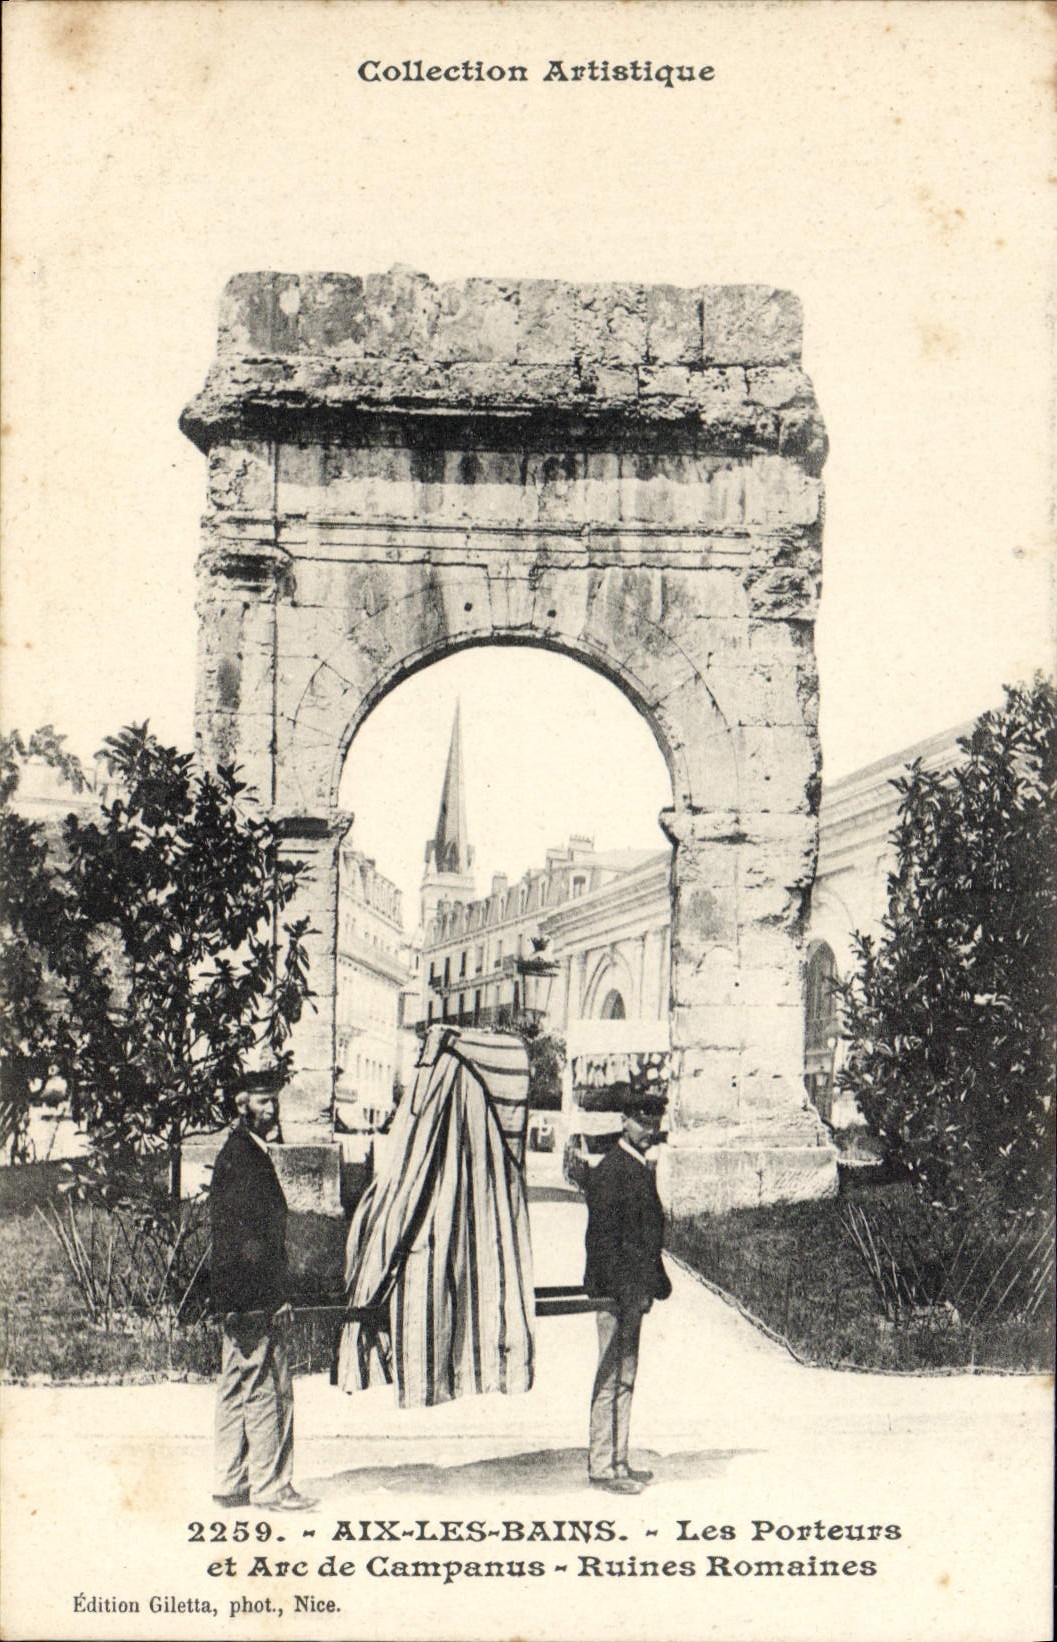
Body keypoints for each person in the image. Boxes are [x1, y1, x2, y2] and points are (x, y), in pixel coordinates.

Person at [210, 1073, 316, 1511]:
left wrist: (229, 1302)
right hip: (253, 1295)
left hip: (235, 1295)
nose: (273, 1110)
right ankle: (273, 1487)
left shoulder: (237, 1153)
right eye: (264, 1102)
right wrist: (272, 1298)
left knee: (235, 1386)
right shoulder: (246, 1158)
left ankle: (230, 1482)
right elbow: (252, 1241)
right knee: (268, 1387)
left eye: (275, 1102)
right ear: (241, 1104)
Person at [582, 1086, 671, 1495]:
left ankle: (619, 1460)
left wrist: (653, 1283)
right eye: (641, 1121)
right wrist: (621, 1292)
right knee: (610, 1376)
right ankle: (603, 1466)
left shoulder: (634, 1166)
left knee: (626, 1377)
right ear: (624, 1121)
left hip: (632, 1294)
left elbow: (646, 1237)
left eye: (654, 1122)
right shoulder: (613, 1171)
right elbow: (601, 1242)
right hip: (616, 1294)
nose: (649, 1129)